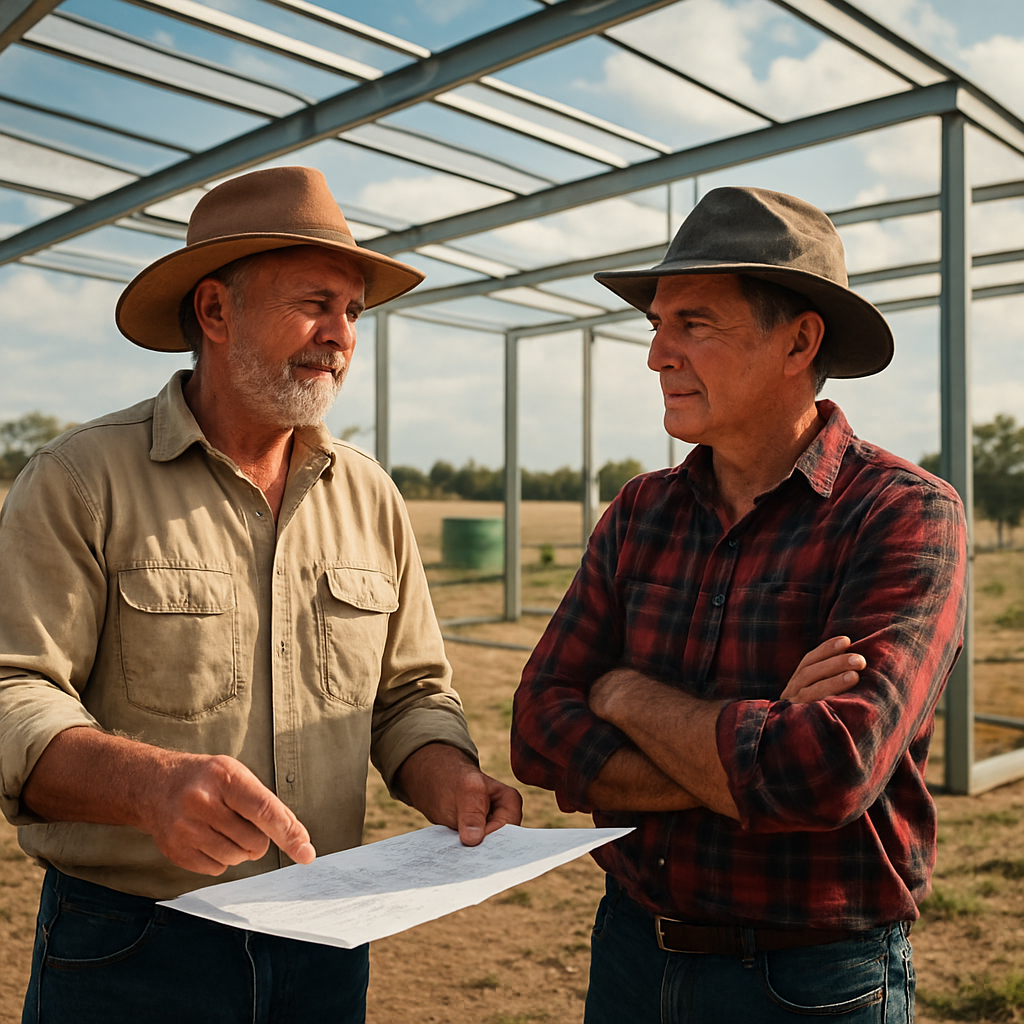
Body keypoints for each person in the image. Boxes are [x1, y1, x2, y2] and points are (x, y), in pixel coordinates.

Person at [0, 165, 521, 1024]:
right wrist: (149, 788)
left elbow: (410, 696)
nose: (340, 336)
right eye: (315, 303)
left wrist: (452, 778)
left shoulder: (370, 496)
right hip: (132, 947)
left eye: (353, 312)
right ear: (215, 312)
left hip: (326, 937)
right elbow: (15, 693)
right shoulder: (80, 480)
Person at [510, 186, 967, 1023]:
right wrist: (741, 755)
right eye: (656, 324)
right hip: (631, 953)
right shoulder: (640, 511)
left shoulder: (905, 513)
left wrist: (622, 695)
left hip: (813, 982)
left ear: (799, 341)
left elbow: (826, 771)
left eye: (693, 323)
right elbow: (538, 732)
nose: (656, 354)